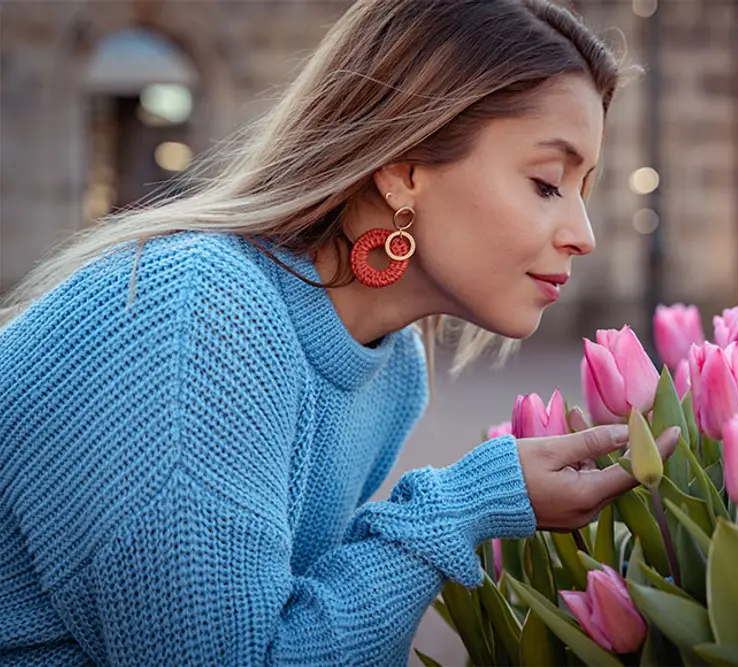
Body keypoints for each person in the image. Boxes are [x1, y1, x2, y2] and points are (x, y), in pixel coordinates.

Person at [0, 1, 678, 664]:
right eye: (547, 183)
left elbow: (295, 618)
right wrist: (465, 504)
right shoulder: (204, 313)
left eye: (584, 188)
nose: (583, 234)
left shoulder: (391, 367)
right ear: (404, 170)